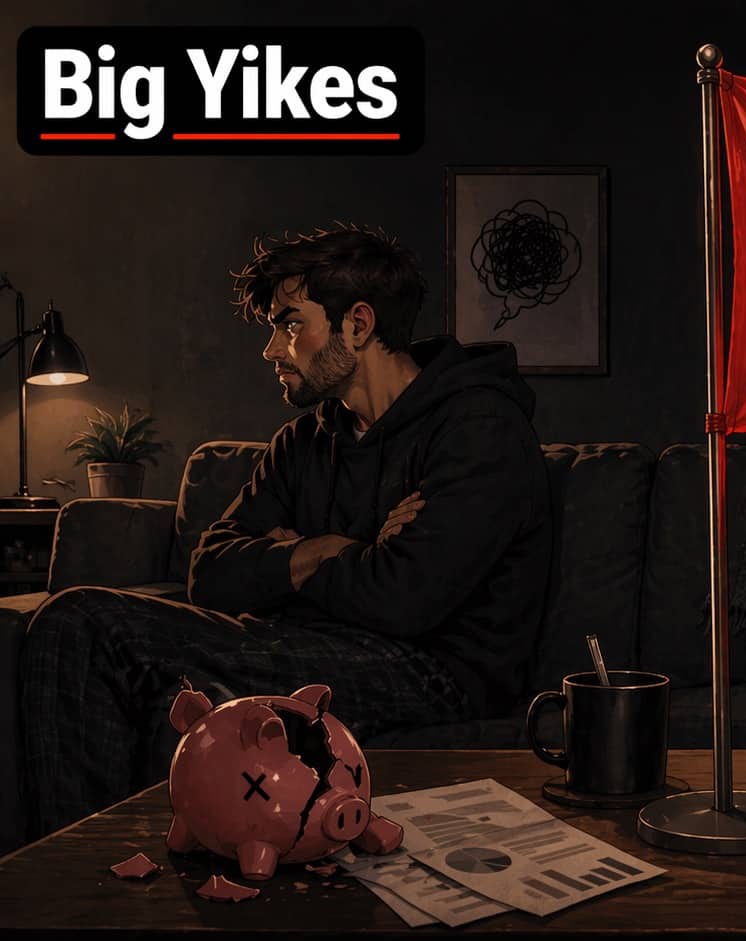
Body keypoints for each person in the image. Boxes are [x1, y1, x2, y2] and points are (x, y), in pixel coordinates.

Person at [19, 225, 552, 838]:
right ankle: (130, 885)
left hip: (436, 673)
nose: (273, 349)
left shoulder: (478, 427)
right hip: (307, 644)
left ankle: (66, 878)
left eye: (290, 324)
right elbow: (210, 573)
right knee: (161, 687)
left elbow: (404, 598)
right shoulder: (304, 440)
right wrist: (328, 551)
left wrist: (282, 562)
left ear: (357, 324)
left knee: (80, 622)